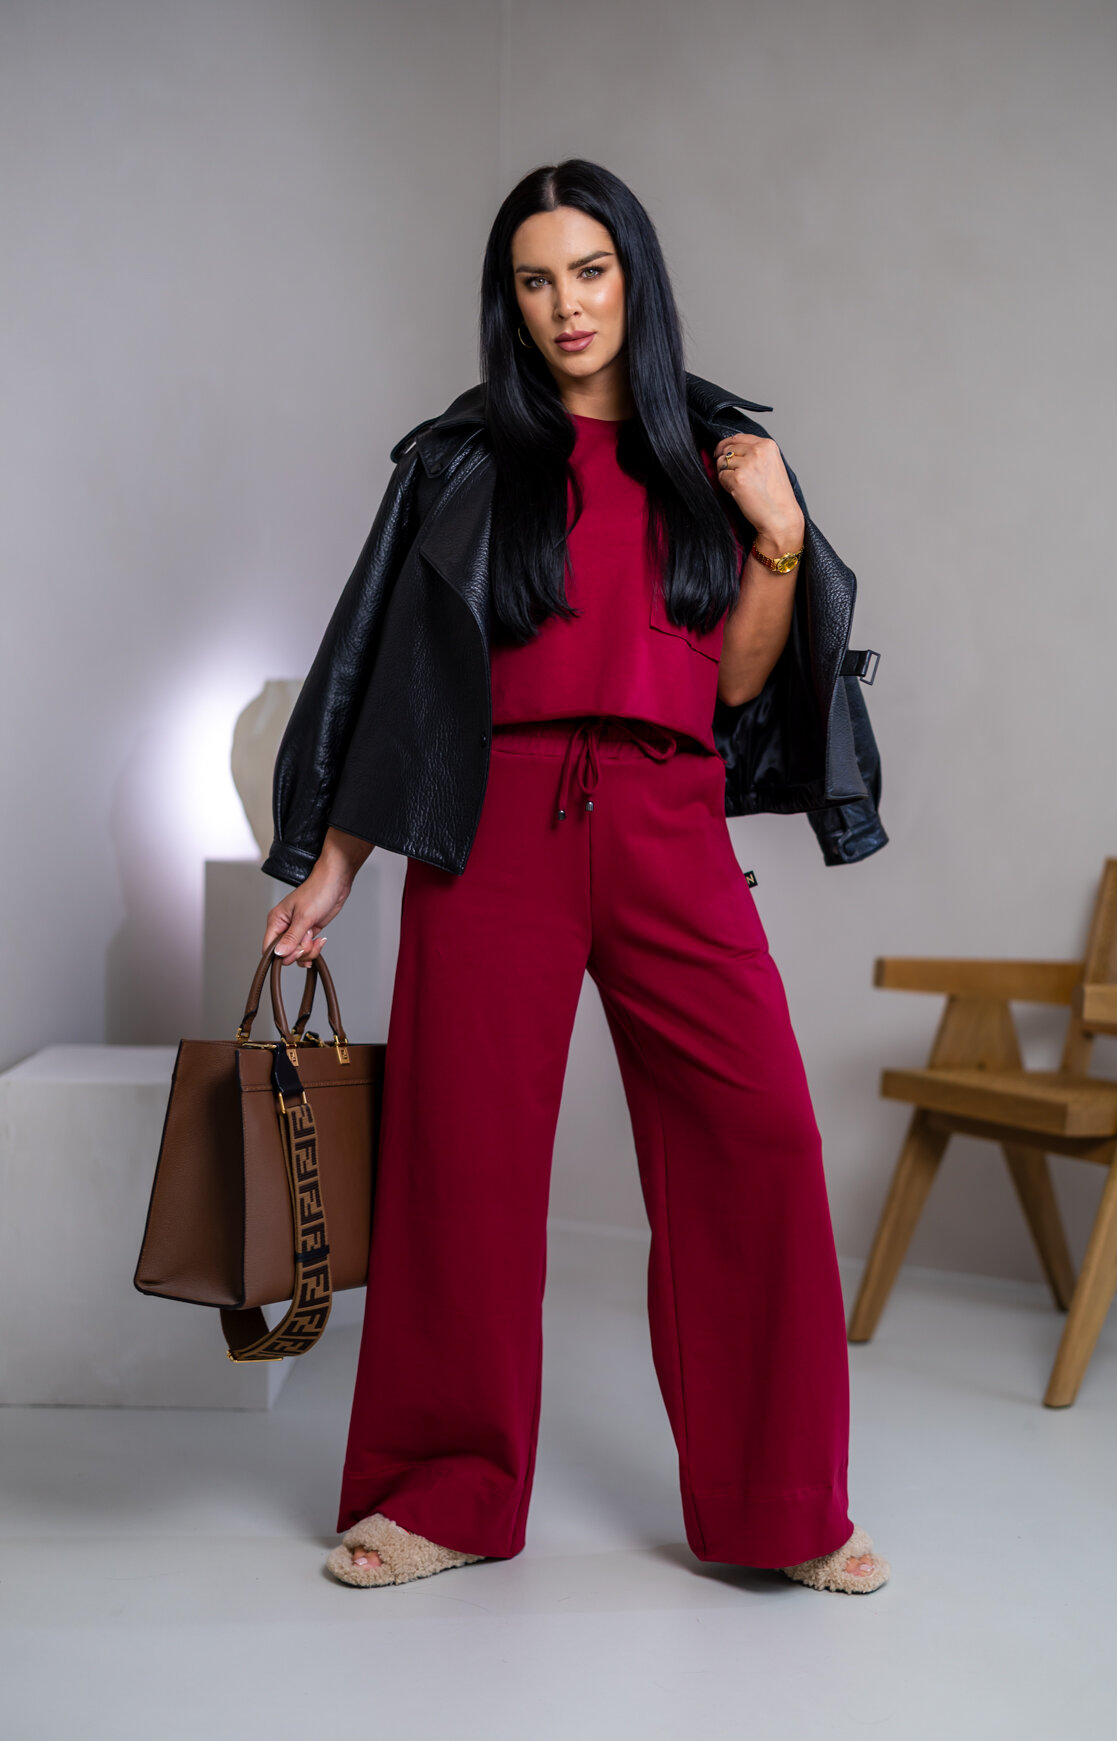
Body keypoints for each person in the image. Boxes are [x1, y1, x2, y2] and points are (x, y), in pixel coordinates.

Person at [261, 159, 890, 1597]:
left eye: (589, 271)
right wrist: (332, 860)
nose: (566, 306)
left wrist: (780, 535)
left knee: (759, 1144)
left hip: (669, 818)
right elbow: (389, 664)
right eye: (535, 280)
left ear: (634, 277)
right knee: (461, 1165)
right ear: (511, 301)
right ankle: (440, 1491)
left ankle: (783, 1505)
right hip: (497, 826)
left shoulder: (713, 454)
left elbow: (734, 683)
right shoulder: (465, 457)